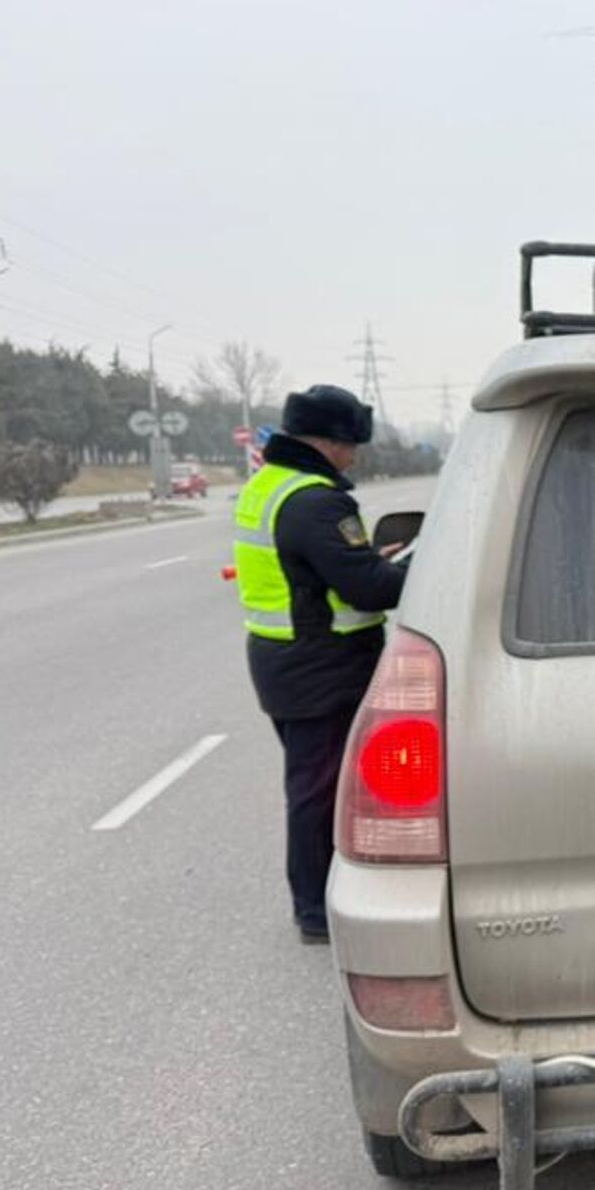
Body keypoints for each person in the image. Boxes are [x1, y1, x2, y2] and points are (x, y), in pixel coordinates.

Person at [234, 384, 406, 944]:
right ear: (329, 442)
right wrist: (419, 568)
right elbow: (368, 589)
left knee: (315, 785)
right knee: (320, 790)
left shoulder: (269, 484)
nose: (353, 457)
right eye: (350, 446)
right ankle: (314, 910)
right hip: (322, 666)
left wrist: (361, 560)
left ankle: (322, 896)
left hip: (284, 658)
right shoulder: (316, 500)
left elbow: (306, 570)